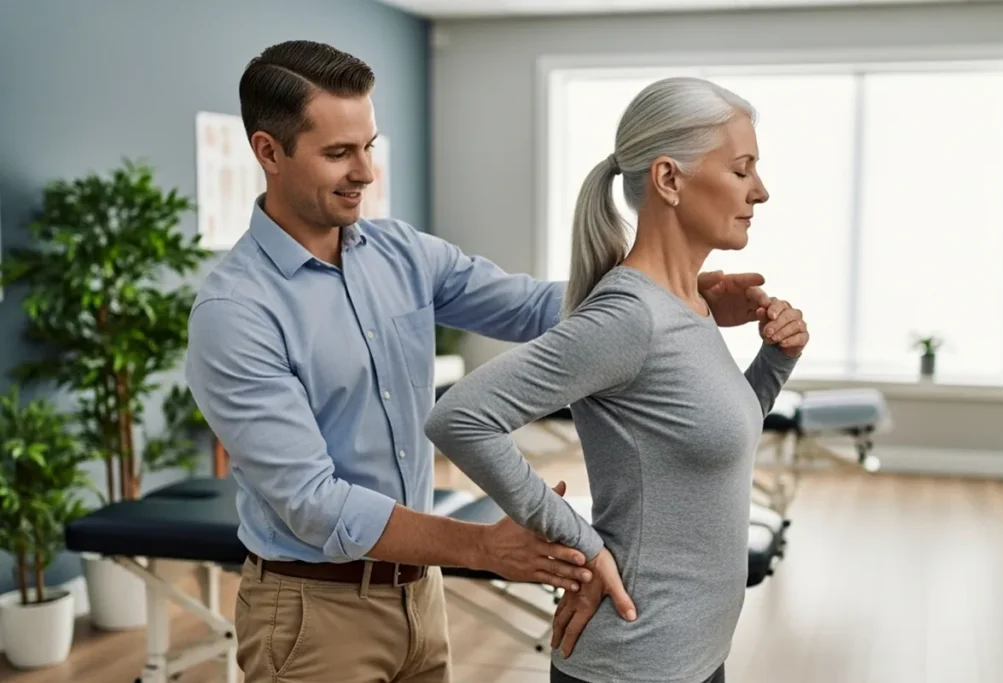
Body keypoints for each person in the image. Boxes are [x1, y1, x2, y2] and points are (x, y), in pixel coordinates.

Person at [185, 40, 783, 683]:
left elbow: (536, 306)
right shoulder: (235, 311)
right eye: (339, 154)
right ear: (268, 152)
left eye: (369, 148)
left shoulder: (400, 253)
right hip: (311, 612)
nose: (365, 173)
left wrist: (674, 302)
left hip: (419, 596)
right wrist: (482, 547)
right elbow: (314, 502)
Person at [425, 76, 809, 683]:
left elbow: (714, 449)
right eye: (741, 170)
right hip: (637, 660)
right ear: (669, 180)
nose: (760, 191)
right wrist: (579, 538)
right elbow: (459, 417)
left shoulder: (687, 304)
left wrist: (774, 360)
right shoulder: (629, 316)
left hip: (696, 651)